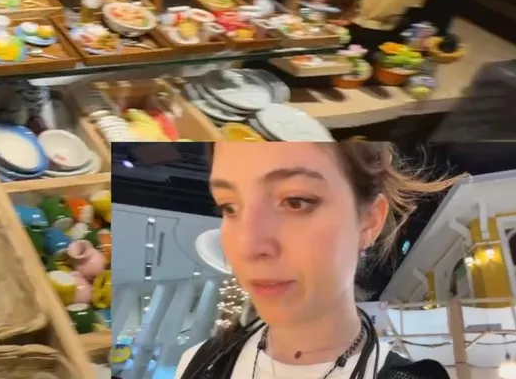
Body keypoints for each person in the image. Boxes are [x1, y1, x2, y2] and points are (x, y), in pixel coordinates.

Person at [176, 141, 456, 379]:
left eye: (295, 201)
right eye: (229, 207)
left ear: (369, 221)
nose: (248, 245)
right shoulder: (200, 364)